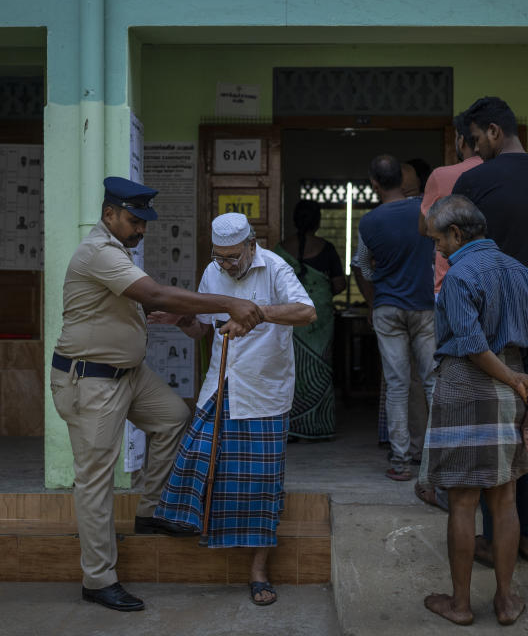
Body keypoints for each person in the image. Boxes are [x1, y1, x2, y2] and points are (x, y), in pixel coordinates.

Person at [50, 177, 265, 613]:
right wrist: (229, 302)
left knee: (171, 417)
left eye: (143, 221)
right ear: (109, 213)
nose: (141, 229)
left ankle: (150, 512)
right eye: (134, 220)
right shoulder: (98, 251)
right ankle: (98, 578)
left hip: (128, 375)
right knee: (95, 479)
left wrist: (167, 311)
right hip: (90, 380)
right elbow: (151, 292)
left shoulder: (118, 250)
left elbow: (143, 301)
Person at [150, 212, 316, 606]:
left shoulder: (275, 268)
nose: (225, 265)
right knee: (198, 461)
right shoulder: (212, 272)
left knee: (262, 485)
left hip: (264, 392)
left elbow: (306, 312)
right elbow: (203, 329)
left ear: (251, 245)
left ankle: (258, 571)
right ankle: (201, 533)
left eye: (232, 257)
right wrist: (183, 320)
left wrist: (256, 315)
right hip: (220, 386)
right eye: (219, 257)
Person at [421, 194, 528, 626]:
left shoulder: (460, 276)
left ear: (457, 234)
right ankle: (505, 600)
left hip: (465, 387)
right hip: (512, 391)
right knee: (505, 498)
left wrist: (514, 382)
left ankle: (460, 605)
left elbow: (474, 346)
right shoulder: (524, 275)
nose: (437, 248)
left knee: (462, 501)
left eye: (438, 239)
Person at [452, 96, 528, 564]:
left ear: (494, 131)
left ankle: (494, 539)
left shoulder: (474, 180)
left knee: (488, 436)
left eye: (476, 140)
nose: (474, 150)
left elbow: (452, 236)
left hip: (491, 323)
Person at [414, 111, 484, 512]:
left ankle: (439, 484)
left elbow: (426, 227)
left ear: (462, 139)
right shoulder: (499, 174)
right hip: (493, 286)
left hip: (449, 287)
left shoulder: (442, 175)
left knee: (445, 387)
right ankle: (486, 484)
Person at [352, 154, 436, 481]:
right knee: (432, 382)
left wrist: (384, 275)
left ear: (374, 185)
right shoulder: (426, 212)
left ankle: (401, 461)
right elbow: (439, 254)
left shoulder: (369, 222)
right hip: (426, 307)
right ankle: (434, 461)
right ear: (403, 181)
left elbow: (363, 266)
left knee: (398, 386)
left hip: (387, 308)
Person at [275, 200, 346, 440]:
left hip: (290, 316)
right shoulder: (326, 249)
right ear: (318, 222)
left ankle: (292, 426)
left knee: (291, 367)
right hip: (321, 319)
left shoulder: (280, 250)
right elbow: (338, 284)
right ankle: (319, 426)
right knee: (321, 367)